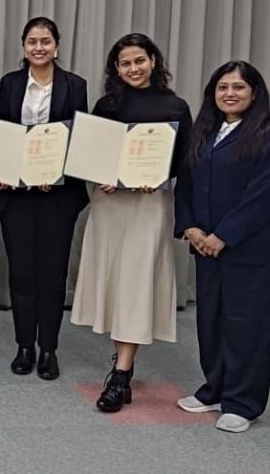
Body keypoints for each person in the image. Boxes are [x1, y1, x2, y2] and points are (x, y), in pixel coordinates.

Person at [70, 33, 192, 412]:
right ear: (116, 69)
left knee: (137, 283)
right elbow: (94, 153)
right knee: (114, 281)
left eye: (140, 60)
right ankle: (121, 359)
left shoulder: (175, 106)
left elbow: (184, 159)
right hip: (111, 204)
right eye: (125, 63)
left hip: (148, 203)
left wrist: (154, 176)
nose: (133, 69)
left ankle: (121, 374)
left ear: (153, 61)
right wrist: (100, 173)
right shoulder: (107, 105)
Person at [174, 61, 270, 433]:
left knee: (246, 325)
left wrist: (224, 235)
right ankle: (214, 388)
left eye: (238, 87)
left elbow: (261, 195)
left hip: (247, 249)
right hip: (204, 246)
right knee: (209, 319)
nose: (229, 93)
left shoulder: (263, 134)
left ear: (254, 93)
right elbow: (184, 185)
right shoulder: (204, 132)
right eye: (222, 87)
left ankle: (243, 402)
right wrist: (192, 229)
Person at [0, 16, 89, 379]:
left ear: (57, 46)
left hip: (56, 197)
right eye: (32, 41)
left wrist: (56, 173)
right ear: (23, 47)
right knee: (22, 273)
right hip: (16, 196)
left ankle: (48, 348)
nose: (38, 47)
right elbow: (2, 133)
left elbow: (79, 137)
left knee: (52, 272)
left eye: (45, 41)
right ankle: (24, 346)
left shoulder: (75, 85)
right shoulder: (11, 84)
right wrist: (1, 172)